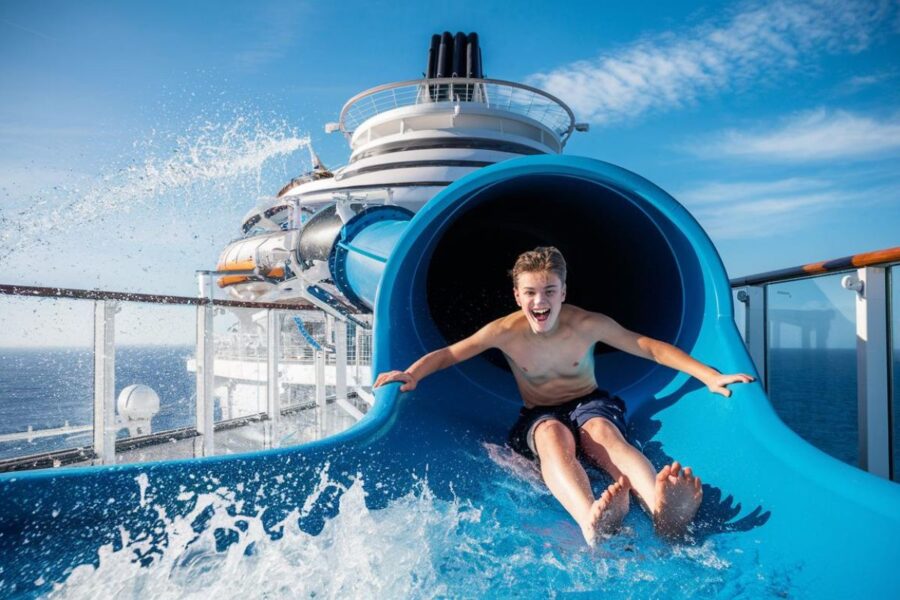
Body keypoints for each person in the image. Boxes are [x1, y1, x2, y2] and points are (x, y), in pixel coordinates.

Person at [374, 246, 754, 545]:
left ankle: (661, 510)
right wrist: (412, 373)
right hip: (539, 412)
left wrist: (708, 375)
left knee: (603, 433)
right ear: (517, 295)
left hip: (589, 402)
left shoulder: (587, 324)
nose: (540, 301)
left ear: (563, 292)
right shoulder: (504, 331)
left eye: (549, 291)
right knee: (552, 437)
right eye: (531, 293)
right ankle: (591, 519)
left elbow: (648, 347)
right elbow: (451, 353)